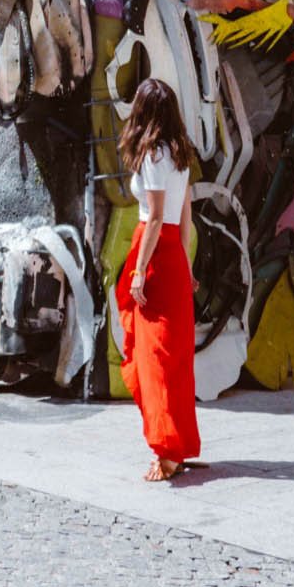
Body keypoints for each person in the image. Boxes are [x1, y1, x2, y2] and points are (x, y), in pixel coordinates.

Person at [115, 77, 201, 481]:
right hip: (173, 256)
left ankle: (166, 454)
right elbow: (184, 215)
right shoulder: (181, 153)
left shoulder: (153, 154)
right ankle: (177, 445)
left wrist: (137, 274)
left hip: (153, 254)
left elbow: (152, 219)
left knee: (153, 360)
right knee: (175, 358)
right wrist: (185, 264)